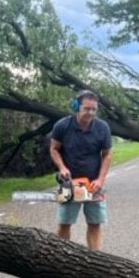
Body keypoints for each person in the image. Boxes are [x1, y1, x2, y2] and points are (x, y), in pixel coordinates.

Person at [50, 90, 113, 252]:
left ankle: (96, 260)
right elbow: (54, 149)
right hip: (69, 183)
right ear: (77, 107)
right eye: (87, 109)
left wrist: (101, 180)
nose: (90, 113)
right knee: (64, 223)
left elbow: (107, 155)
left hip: (94, 183)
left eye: (94, 109)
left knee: (95, 223)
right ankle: (61, 258)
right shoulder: (62, 126)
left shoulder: (103, 128)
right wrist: (62, 168)